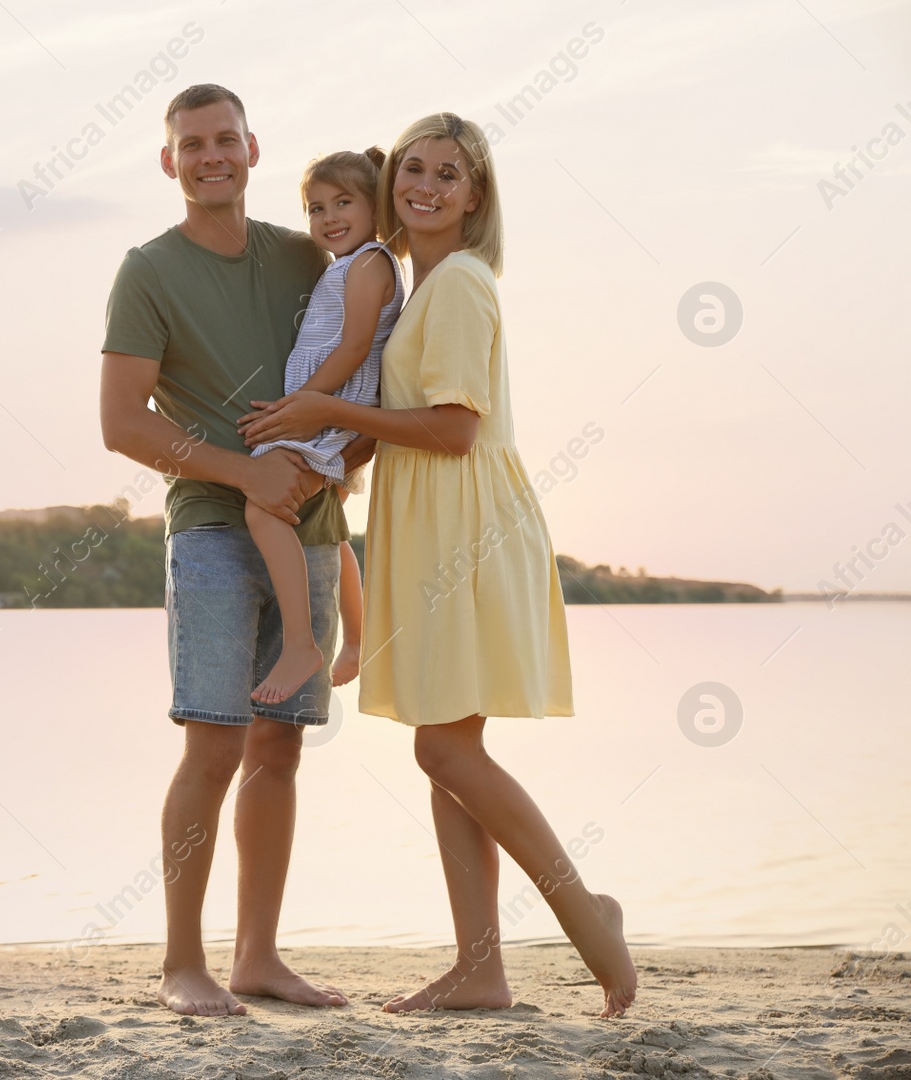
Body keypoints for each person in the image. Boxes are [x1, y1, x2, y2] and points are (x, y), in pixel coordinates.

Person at [239, 112, 637, 1018]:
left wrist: (315, 409)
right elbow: (413, 420)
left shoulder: (458, 283)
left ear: (476, 194)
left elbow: (455, 430)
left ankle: (591, 925)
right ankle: (480, 969)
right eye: (411, 168)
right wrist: (333, 461)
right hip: (433, 526)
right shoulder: (415, 290)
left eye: (446, 174)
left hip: (471, 531)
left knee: (445, 745)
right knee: (450, 751)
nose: (423, 185)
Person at [99, 84, 371, 1017]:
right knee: (211, 747)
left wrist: (344, 455)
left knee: (281, 748)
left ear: (254, 150)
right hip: (213, 530)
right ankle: (183, 961)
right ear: (168, 161)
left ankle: (259, 956)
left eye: (226, 140)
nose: (211, 155)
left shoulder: (308, 254)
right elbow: (119, 422)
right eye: (191, 143)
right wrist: (241, 472)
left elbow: (369, 348)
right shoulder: (147, 271)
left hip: (314, 527)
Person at [244, 150, 405, 704]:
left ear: (375, 208)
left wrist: (300, 404)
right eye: (316, 208)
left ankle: (300, 644)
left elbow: (357, 345)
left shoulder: (368, 263)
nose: (329, 217)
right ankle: (357, 639)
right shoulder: (350, 264)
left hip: (330, 409)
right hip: (328, 408)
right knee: (328, 526)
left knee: (262, 508)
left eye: (344, 203)